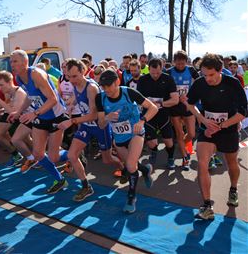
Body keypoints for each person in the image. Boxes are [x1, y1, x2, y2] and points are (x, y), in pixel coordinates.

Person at [183, 53, 247, 220]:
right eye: (205, 75)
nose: (208, 79)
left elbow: (243, 112)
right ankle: (206, 205)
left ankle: (233, 189)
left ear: (220, 71)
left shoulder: (232, 83)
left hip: (228, 129)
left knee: (231, 162)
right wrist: (202, 119)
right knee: (202, 163)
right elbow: (190, 104)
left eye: (211, 75)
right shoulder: (200, 83)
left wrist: (221, 125)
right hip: (207, 129)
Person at [96, 69, 157, 213]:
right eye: (103, 87)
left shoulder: (128, 92)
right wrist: (106, 118)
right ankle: (146, 170)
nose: (106, 89)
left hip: (135, 132)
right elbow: (100, 124)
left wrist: (142, 121)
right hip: (119, 138)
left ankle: (131, 198)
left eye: (108, 85)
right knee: (132, 166)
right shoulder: (100, 98)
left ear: (117, 82)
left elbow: (153, 108)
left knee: (130, 165)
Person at [9, 49, 70, 194]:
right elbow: (30, 97)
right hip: (41, 116)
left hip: (56, 115)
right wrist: (18, 112)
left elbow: (53, 99)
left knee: (54, 157)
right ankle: (60, 180)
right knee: (38, 154)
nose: (12, 64)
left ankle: (73, 154)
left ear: (25, 62)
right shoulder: (18, 78)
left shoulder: (36, 74)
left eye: (15, 61)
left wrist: (34, 113)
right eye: (11, 62)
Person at [58, 59, 112, 201]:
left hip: (100, 126)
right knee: (71, 155)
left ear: (83, 72)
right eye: (69, 77)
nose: (71, 80)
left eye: (75, 76)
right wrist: (71, 104)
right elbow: (77, 96)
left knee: (108, 160)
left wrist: (72, 120)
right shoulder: (76, 84)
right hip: (87, 126)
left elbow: (94, 115)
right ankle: (86, 186)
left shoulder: (91, 88)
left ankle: (125, 168)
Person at [137, 58, 179, 169]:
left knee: (168, 141)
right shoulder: (142, 80)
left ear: (162, 68)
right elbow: (138, 99)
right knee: (151, 142)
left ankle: (170, 158)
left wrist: (160, 103)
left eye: (158, 72)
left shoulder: (168, 79)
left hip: (163, 113)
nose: (155, 75)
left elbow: (175, 100)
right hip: (149, 114)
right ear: (148, 69)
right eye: (152, 73)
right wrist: (150, 105)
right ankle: (154, 151)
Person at [166, 50, 200, 171]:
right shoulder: (169, 72)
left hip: (187, 105)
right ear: (174, 62)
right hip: (174, 106)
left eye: (182, 63)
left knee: (191, 133)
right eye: (178, 63)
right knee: (179, 133)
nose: (180, 66)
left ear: (186, 62)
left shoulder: (191, 70)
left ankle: (183, 146)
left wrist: (191, 95)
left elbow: (200, 82)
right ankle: (185, 158)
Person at [0, 71, 26, 167]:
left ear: (10, 82)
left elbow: (13, 112)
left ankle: (36, 158)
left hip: (25, 118)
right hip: (17, 116)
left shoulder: (19, 92)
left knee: (25, 140)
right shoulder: (10, 92)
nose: (0, 88)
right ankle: (19, 155)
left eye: (2, 85)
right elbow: (10, 106)